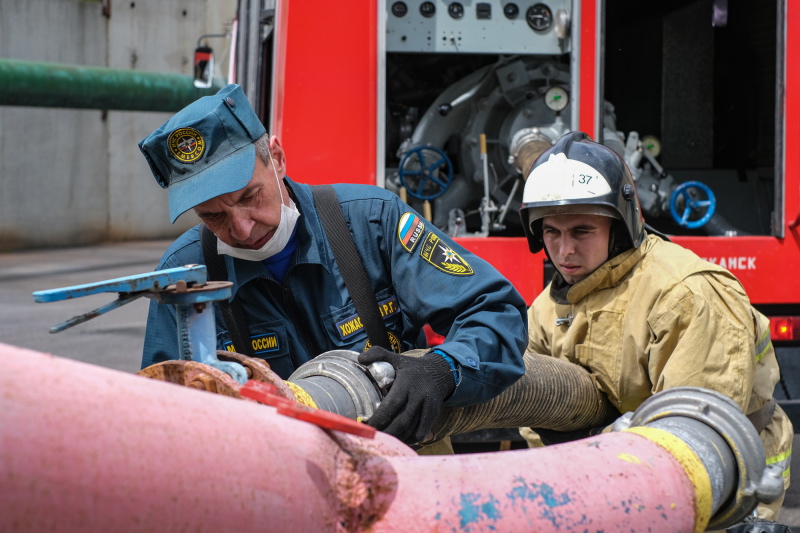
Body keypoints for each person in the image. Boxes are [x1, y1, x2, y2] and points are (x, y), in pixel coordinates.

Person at [138, 84, 528, 446]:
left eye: (250, 197)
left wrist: (442, 371)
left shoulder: (371, 223)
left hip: (402, 458)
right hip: (274, 473)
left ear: (276, 158)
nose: (241, 228)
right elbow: (163, 407)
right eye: (213, 216)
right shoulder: (185, 275)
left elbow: (495, 312)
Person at [518, 131, 792, 520]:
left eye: (582, 231)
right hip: (608, 489)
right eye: (551, 232)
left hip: (722, 494)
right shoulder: (547, 308)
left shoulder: (685, 294)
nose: (565, 251)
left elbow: (696, 440)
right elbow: (534, 409)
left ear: (621, 225)